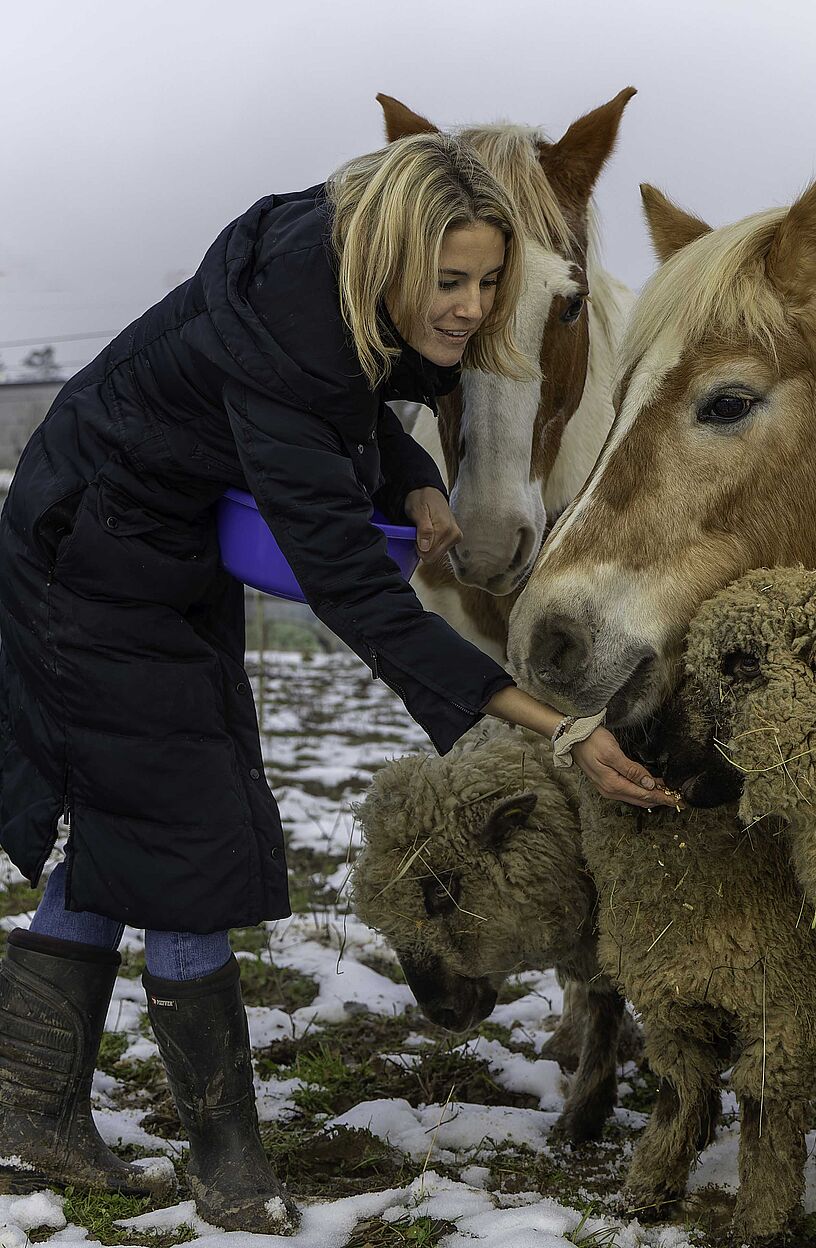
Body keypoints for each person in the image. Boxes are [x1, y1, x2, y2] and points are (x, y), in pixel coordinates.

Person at [0, 133, 674, 1233]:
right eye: (448, 281)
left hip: (160, 561)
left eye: (488, 279)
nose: (468, 307)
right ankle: (228, 1166)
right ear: (391, 258)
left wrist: (411, 480)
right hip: (87, 569)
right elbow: (358, 596)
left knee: (139, 822)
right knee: (187, 838)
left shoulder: (337, 287)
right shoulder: (285, 336)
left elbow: (362, 406)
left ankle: (29, 1111)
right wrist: (556, 728)